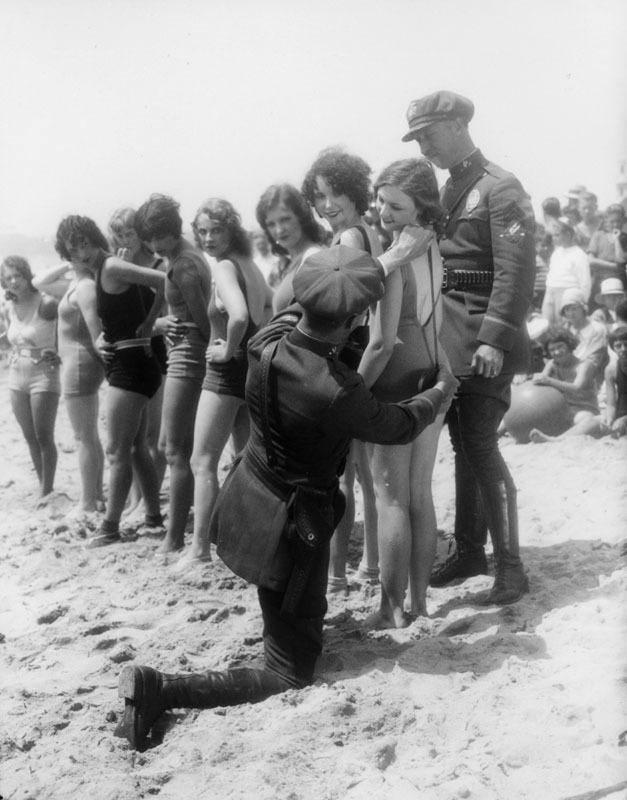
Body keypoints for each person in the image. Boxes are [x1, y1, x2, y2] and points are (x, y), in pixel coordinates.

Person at [115, 245, 458, 752]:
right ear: (358, 317)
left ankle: (283, 627)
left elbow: (305, 310)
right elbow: (399, 423)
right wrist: (440, 392)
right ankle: (160, 689)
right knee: (289, 670)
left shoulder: (266, 340)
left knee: (293, 611)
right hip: (295, 529)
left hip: (251, 496)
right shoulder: (338, 390)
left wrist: (362, 271)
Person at [400, 90, 536, 604]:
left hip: (482, 337)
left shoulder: (500, 188)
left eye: (429, 135)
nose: (424, 149)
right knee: (464, 444)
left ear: (458, 124)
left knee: (480, 446)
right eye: (417, 140)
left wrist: (495, 338)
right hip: (451, 335)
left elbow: (515, 272)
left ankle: (511, 569)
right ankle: (470, 552)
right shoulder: (452, 188)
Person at [357, 157, 450, 626]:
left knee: (388, 499)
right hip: (432, 375)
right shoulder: (434, 247)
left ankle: (391, 609)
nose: (383, 211)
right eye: (379, 201)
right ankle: (419, 603)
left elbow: (379, 342)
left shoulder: (395, 259)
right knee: (419, 496)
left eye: (395, 204)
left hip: (394, 381)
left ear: (420, 205)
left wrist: (353, 393)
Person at [55, 215, 166, 547]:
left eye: (85, 244)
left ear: (96, 239)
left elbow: (164, 278)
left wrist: (149, 323)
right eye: (74, 250)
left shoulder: (112, 267)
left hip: (130, 365)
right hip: (137, 362)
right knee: (134, 448)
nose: (82, 254)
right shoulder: (107, 268)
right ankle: (153, 516)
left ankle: (110, 527)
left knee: (118, 450)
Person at [302, 147, 383, 588]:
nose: (327, 204)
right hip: (363, 347)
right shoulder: (366, 232)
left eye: (335, 194)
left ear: (354, 193)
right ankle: (369, 565)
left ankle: (337, 575)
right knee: (363, 474)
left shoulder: (348, 238)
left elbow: (345, 304)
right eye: (319, 196)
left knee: (344, 475)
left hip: (347, 350)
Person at [184, 198, 273, 564]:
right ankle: (247, 547)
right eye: (201, 231)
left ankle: (199, 550)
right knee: (243, 464)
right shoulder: (250, 265)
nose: (207, 238)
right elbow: (266, 316)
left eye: (216, 230)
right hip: (251, 372)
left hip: (225, 373)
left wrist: (226, 350)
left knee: (202, 462)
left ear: (231, 230)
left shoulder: (223, 267)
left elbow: (237, 316)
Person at [134, 195, 212, 554]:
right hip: (183, 353)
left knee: (176, 451)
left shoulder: (183, 264)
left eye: (157, 238)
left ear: (172, 231)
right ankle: (184, 531)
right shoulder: (184, 256)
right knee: (172, 446)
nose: (153, 246)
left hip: (188, 357)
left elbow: (202, 320)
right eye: (148, 239)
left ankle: (175, 537)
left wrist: (175, 328)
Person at [109, 207, 169, 516]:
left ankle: (148, 500)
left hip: (156, 352)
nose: (125, 239)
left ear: (141, 235)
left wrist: (152, 325)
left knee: (152, 436)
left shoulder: (159, 265)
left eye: (130, 233)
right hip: (131, 354)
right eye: (119, 234)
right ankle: (136, 500)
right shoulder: (118, 266)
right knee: (132, 437)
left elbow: (167, 316)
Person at [34, 257, 105, 514]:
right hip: (77, 363)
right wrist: (68, 263)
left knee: (83, 437)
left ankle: (87, 501)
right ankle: (96, 495)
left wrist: (73, 262)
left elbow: (96, 330)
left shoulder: (84, 285)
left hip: (79, 364)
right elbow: (38, 281)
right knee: (90, 436)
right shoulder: (76, 283)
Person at [1, 256, 60, 499]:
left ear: (28, 276)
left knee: (43, 435)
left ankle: (47, 490)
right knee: (29, 436)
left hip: (43, 373)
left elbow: (70, 328)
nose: (14, 281)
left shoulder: (46, 302)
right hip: (16, 374)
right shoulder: (8, 308)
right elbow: (9, 339)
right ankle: (43, 488)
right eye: (8, 277)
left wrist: (60, 352)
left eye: (18, 275)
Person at [255, 183, 325, 312]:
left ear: (301, 218)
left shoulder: (312, 257)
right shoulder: (293, 262)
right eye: (271, 224)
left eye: (285, 219)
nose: (279, 230)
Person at [528, 327, 604, 442]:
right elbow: (540, 381)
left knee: (586, 420)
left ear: (569, 345)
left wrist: (548, 380)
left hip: (583, 409)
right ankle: (498, 431)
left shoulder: (584, 365)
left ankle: (556, 440)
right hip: (561, 409)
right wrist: (536, 379)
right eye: (552, 349)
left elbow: (576, 388)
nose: (557, 352)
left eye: (560, 346)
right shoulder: (552, 364)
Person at [541, 218, 591, 325]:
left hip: (567, 293)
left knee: (563, 325)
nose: (553, 238)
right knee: (546, 323)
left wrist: (582, 302)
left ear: (568, 235)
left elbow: (585, 281)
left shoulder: (579, 254)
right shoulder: (556, 252)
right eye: (553, 235)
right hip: (550, 291)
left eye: (557, 235)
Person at [558, 287, 608, 379]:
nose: (571, 313)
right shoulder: (564, 329)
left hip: (591, 378)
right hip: (566, 375)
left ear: (583, 308)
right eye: (567, 310)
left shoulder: (597, 329)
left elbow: (593, 361)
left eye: (574, 309)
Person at [603, 325, 627, 438]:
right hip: (622, 410)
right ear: (613, 349)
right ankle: (556, 439)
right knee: (592, 421)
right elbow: (611, 404)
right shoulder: (611, 370)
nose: (623, 349)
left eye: (626, 344)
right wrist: (609, 419)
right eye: (618, 346)